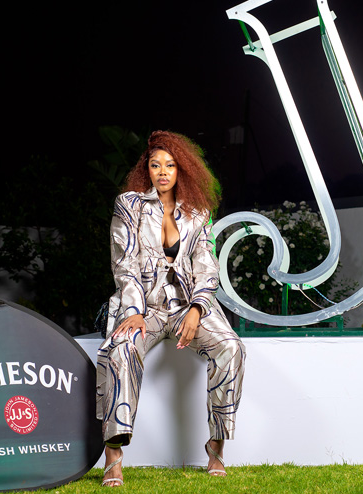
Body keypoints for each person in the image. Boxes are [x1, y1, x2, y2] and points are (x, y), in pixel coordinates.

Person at [95, 130, 246, 487]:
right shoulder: (129, 205)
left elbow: (207, 266)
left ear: (183, 170)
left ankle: (216, 445)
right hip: (144, 305)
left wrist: (197, 308)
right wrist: (133, 311)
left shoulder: (198, 213)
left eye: (170, 165)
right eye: (155, 165)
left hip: (185, 305)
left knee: (231, 347)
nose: (162, 172)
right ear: (145, 169)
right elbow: (124, 262)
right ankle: (113, 455)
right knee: (121, 350)